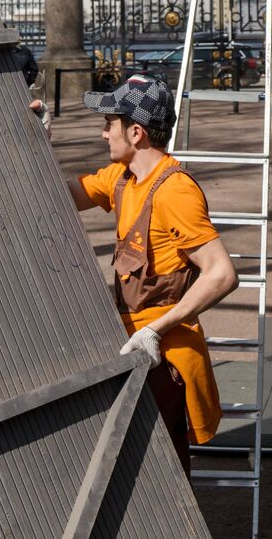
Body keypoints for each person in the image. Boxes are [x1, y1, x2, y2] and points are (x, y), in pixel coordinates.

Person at [67, 74, 238, 471]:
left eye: (110, 124)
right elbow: (59, 198)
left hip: (165, 361)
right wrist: (34, 139)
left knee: (157, 483)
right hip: (133, 353)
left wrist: (154, 330)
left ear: (137, 132)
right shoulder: (122, 178)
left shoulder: (174, 191)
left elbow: (221, 274)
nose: (103, 132)